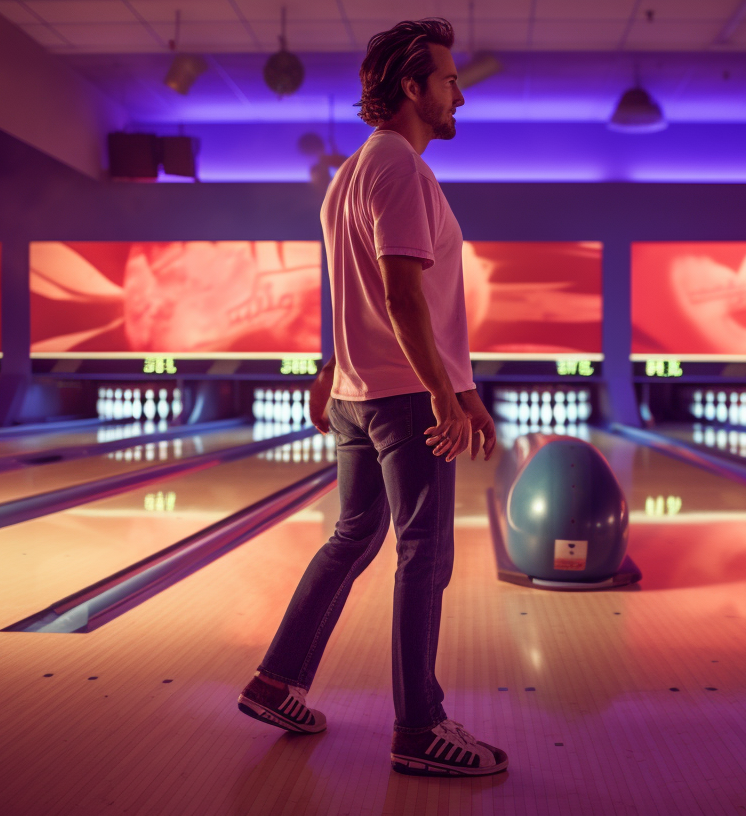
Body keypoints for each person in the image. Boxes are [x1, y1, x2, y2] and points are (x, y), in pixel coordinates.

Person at [238, 19, 507, 778]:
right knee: (424, 554)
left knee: (354, 536)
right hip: (400, 399)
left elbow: (361, 297)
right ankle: (419, 727)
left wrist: (463, 390)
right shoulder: (400, 169)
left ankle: (276, 680)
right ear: (412, 89)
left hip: (361, 394)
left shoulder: (348, 175)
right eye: (450, 81)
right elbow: (400, 296)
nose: (460, 95)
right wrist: (441, 399)